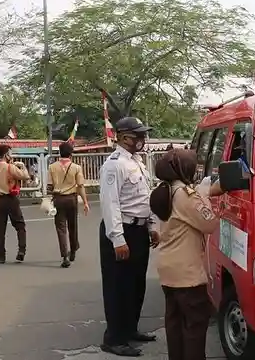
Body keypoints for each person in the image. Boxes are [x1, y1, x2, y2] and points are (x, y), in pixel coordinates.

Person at [150, 149, 222, 360]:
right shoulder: (186, 195)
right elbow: (209, 223)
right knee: (194, 327)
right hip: (187, 274)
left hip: (169, 270)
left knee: (175, 325)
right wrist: (203, 195)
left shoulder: (166, 190)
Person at [98, 116, 160, 357]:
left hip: (138, 229)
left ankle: (130, 329)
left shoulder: (137, 162)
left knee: (136, 284)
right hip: (122, 230)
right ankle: (114, 338)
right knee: (118, 286)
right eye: (138, 135)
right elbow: (110, 203)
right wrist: (118, 239)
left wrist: (151, 225)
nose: (142, 139)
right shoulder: (114, 165)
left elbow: (144, 198)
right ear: (124, 137)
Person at [48, 142, 90, 268]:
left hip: (58, 199)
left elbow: (50, 186)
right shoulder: (76, 167)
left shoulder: (52, 167)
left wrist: (50, 199)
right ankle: (73, 250)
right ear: (71, 154)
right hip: (71, 198)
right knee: (73, 226)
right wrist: (85, 202)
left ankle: (64, 256)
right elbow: (80, 186)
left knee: (61, 228)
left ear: (59, 153)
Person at [0, 144, 31, 264]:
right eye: (10, 153)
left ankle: (1, 256)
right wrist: (22, 166)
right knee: (20, 225)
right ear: (6, 154)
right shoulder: (10, 167)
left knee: (0, 230)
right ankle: (21, 251)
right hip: (10, 199)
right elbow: (25, 176)